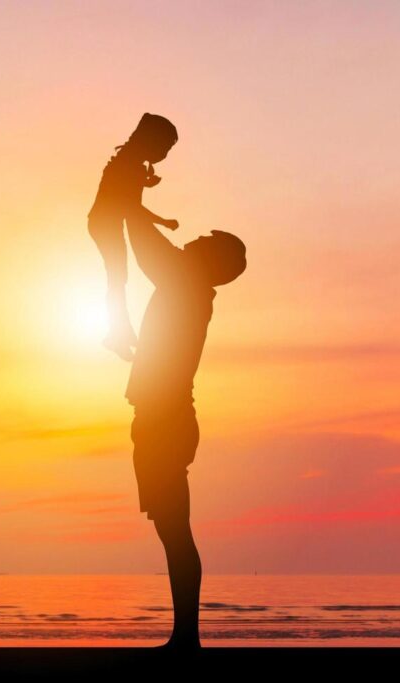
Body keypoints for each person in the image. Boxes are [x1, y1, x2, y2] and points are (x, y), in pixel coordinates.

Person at [123, 206, 246, 651]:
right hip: (162, 419)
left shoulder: (185, 283)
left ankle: (187, 638)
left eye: (202, 243)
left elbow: (145, 248)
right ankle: (185, 636)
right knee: (173, 531)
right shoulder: (188, 286)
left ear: (211, 262)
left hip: (165, 422)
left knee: (176, 532)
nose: (191, 242)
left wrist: (131, 202)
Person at [88, 112, 180, 361]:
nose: (164, 154)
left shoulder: (132, 164)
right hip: (104, 224)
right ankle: (118, 333)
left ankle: (120, 332)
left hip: (108, 224)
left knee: (119, 278)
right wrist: (164, 222)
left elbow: (126, 195)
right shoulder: (128, 164)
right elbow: (131, 207)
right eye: (164, 147)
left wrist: (144, 182)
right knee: (117, 278)